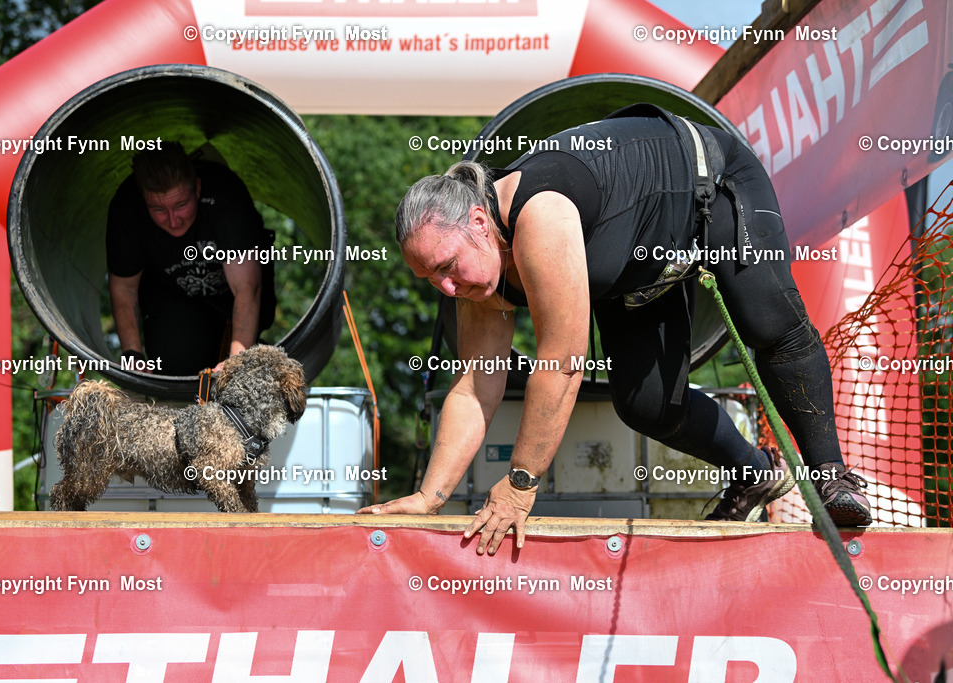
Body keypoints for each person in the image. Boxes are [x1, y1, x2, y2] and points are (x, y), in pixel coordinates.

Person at [358, 104, 872, 553]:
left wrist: (519, 485)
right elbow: (475, 385)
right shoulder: (479, 281)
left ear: (477, 221)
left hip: (706, 190)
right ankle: (754, 471)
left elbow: (561, 363)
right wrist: (429, 497)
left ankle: (835, 480)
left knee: (768, 321)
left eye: (447, 266)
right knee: (647, 405)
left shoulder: (540, 215)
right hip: (637, 265)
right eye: (430, 279)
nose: (446, 289)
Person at [106, 142, 275, 375]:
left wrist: (237, 361)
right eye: (158, 210)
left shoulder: (224, 195)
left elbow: (247, 287)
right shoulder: (127, 209)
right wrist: (133, 356)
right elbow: (124, 288)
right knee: (174, 363)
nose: (173, 220)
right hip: (170, 296)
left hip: (234, 294)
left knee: (244, 368)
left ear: (197, 188)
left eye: (181, 205)